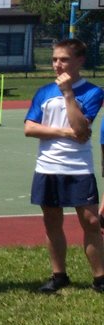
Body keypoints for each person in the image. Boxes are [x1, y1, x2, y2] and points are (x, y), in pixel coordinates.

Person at [23, 38, 104, 293]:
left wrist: (68, 93)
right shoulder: (44, 92)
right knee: (52, 222)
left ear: (80, 61)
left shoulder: (93, 92)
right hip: (48, 167)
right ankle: (59, 275)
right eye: (55, 59)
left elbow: (81, 129)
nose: (58, 64)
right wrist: (63, 132)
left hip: (78, 167)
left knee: (91, 221)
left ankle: (100, 278)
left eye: (64, 59)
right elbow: (29, 128)